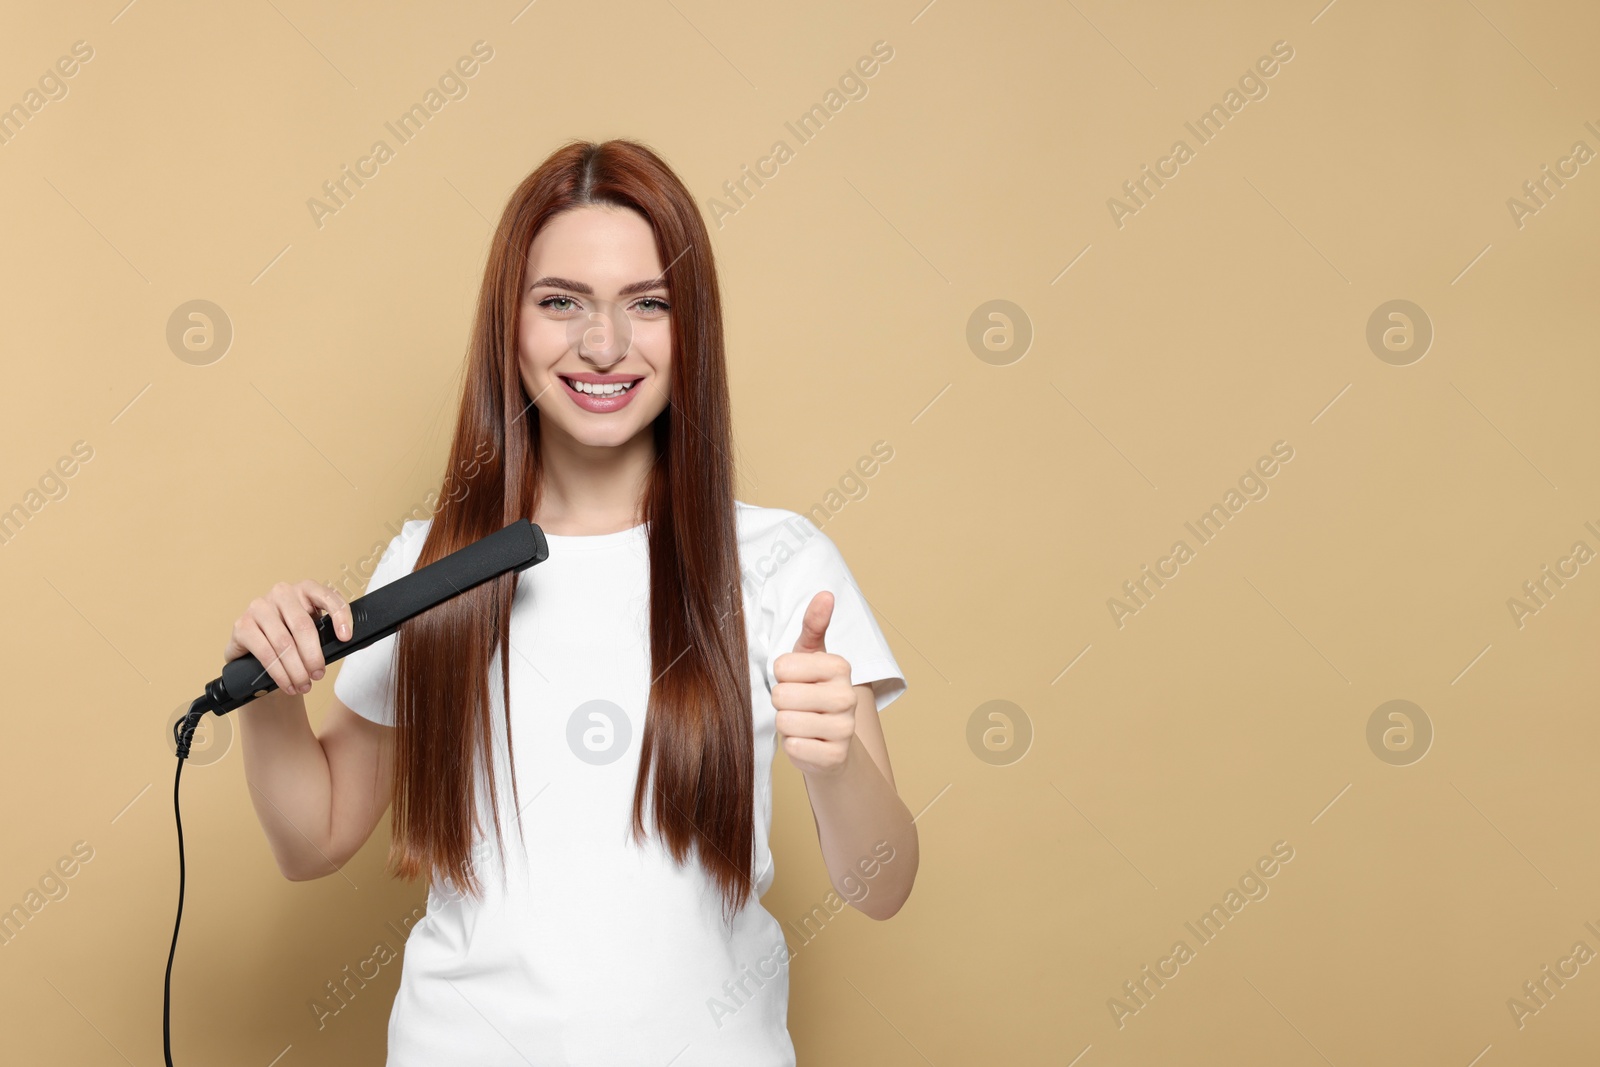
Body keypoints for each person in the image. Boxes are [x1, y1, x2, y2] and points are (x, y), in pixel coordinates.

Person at [229, 138, 918, 1065]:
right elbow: (314, 837)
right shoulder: (435, 562)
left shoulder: (783, 560)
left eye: (649, 304)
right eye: (561, 302)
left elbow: (882, 885)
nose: (604, 345)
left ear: (694, 328)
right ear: (508, 327)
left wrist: (837, 766)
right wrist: (271, 693)